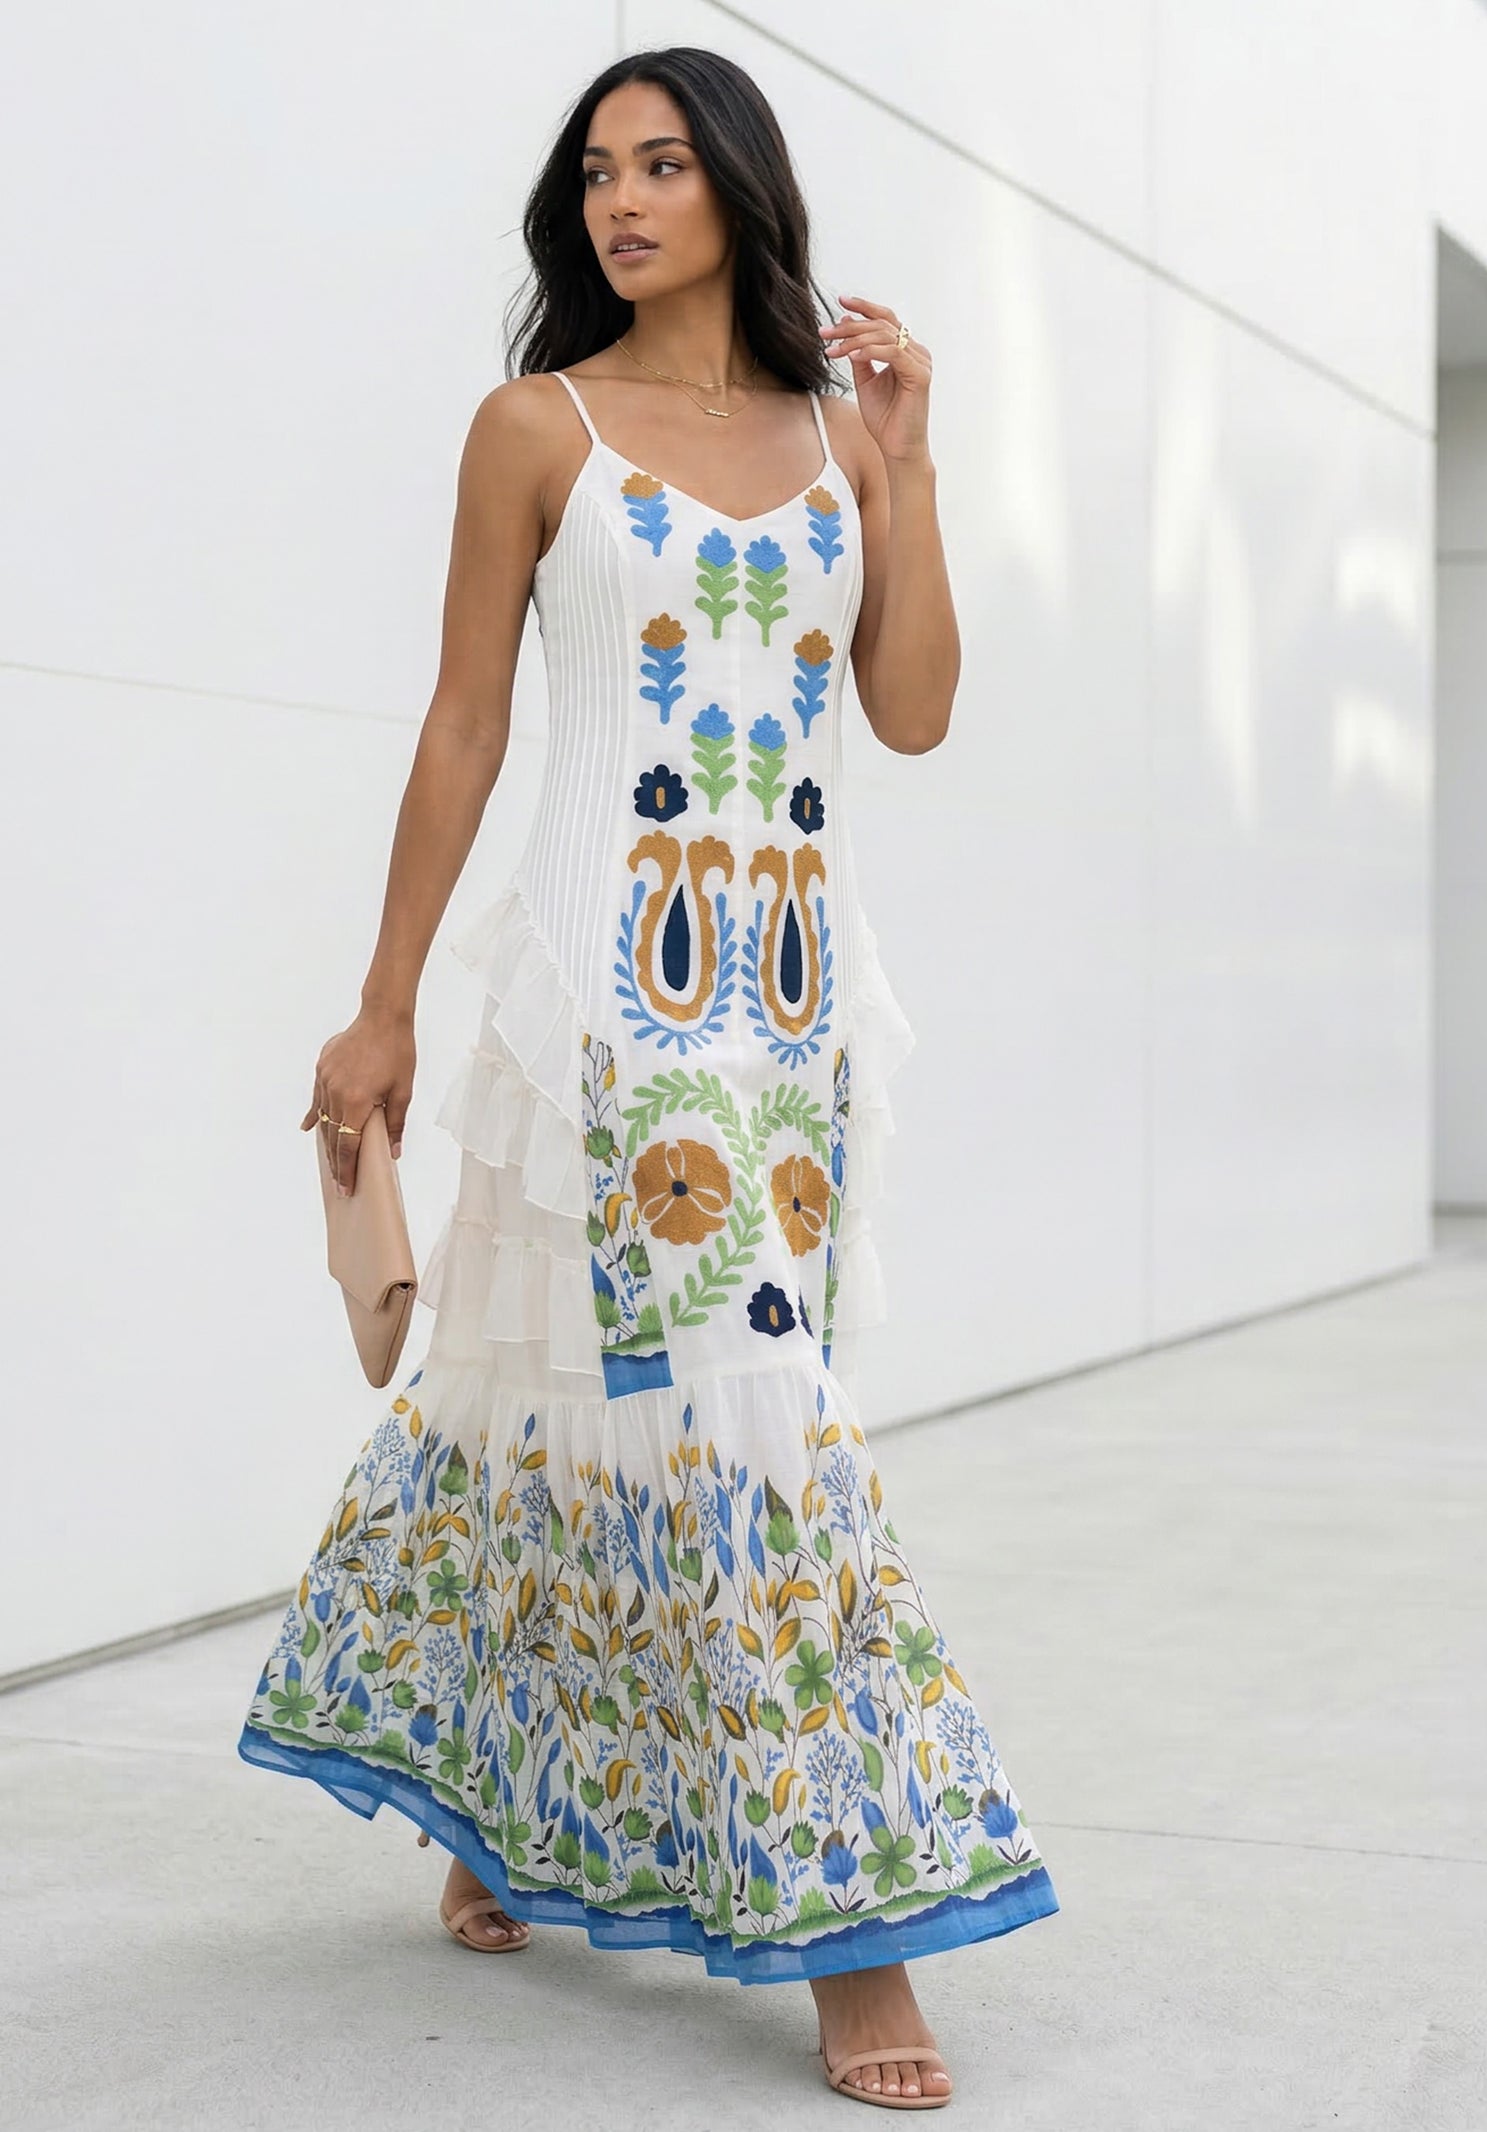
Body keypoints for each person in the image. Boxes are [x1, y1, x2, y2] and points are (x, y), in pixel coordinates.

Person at [238, 43, 1059, 2110]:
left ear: (739, 190)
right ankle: (859, 1936)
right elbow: (463, 723)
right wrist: (383, 1003)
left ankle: (491, 1808)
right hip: (606, 1004)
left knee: (565, 1405)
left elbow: (915, 713)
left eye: (664, 164)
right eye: (598, 170)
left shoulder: (841, 439)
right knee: (746, 1416)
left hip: (797, 1010)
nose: (621, 199)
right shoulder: (539, 426)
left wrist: (913, 465)